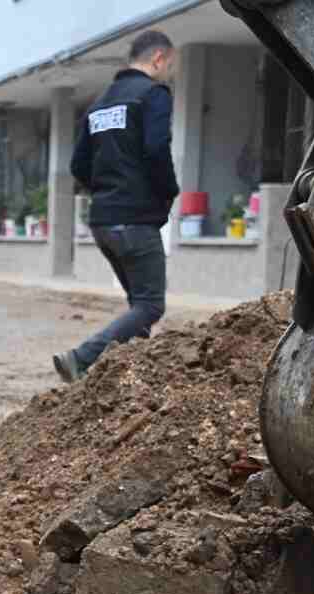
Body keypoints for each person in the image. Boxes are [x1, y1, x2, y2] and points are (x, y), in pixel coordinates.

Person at [55, 30, 180, 382]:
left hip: (103, 221)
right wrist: (168, 192)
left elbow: (78, 166)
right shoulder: (153, 94)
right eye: (169, 64)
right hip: (136, 221)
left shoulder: (99, 104)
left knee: (138, 307)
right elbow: (157, 149)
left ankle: (131, 378)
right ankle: (80, 358)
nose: (169, 72)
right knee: (151, 305)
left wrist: (108, 190)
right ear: (158, 59)